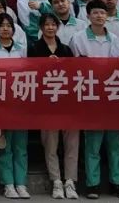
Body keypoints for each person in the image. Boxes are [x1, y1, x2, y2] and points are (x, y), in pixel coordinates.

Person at [69, 0, 119, 199]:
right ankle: (92, 184)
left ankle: (117, 183)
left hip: (111, 93)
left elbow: (118, 66)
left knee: (114, 143)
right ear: (88, 15)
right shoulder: (78, 38)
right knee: (92, 142)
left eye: (103, 12)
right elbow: (75, 68)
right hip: (90, 94)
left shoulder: (116, 39)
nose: (100, 16)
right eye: (95, 12)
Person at [27, 12, 77, 199]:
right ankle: (56, 181)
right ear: (41, 28)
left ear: (57, 27)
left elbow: (75, 74)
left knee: (72, 143)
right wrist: (43, 66)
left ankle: (70, 181)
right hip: (46, 104)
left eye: (53, 24)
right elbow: (29, 75)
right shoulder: (34, 48)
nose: (50, 28)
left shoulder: (65, 49)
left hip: (67, 103)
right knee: (50, 144)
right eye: (46, 25)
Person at [0, 12, 29, 199]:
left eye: (9, 25)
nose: (5, 28)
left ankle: (21, 183)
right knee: (4, 144)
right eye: (2, 25)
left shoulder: (21, 49)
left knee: (20, 146)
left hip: (19, 101)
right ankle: (8, 184)